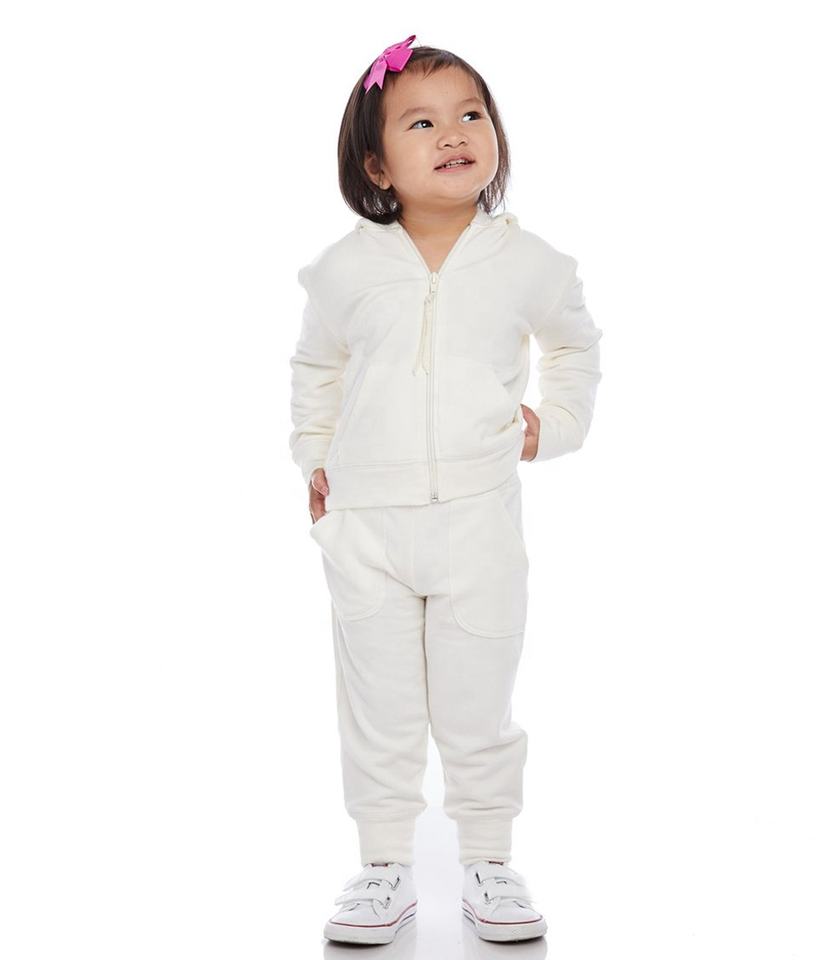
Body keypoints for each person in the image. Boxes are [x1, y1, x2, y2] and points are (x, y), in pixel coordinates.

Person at [288, 34, 603, 945]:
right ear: (376, 165)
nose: (454, 133)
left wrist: (555, 425)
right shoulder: (344, 270)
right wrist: (314, 457)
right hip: (367, 527)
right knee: (377, 706)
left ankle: (489, 860)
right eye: (420, 123)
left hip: (477, 524)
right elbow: (315, 369)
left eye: (470, 114)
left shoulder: (528, 263)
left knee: (478, 704)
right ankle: (383, 865)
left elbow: (575, 346)